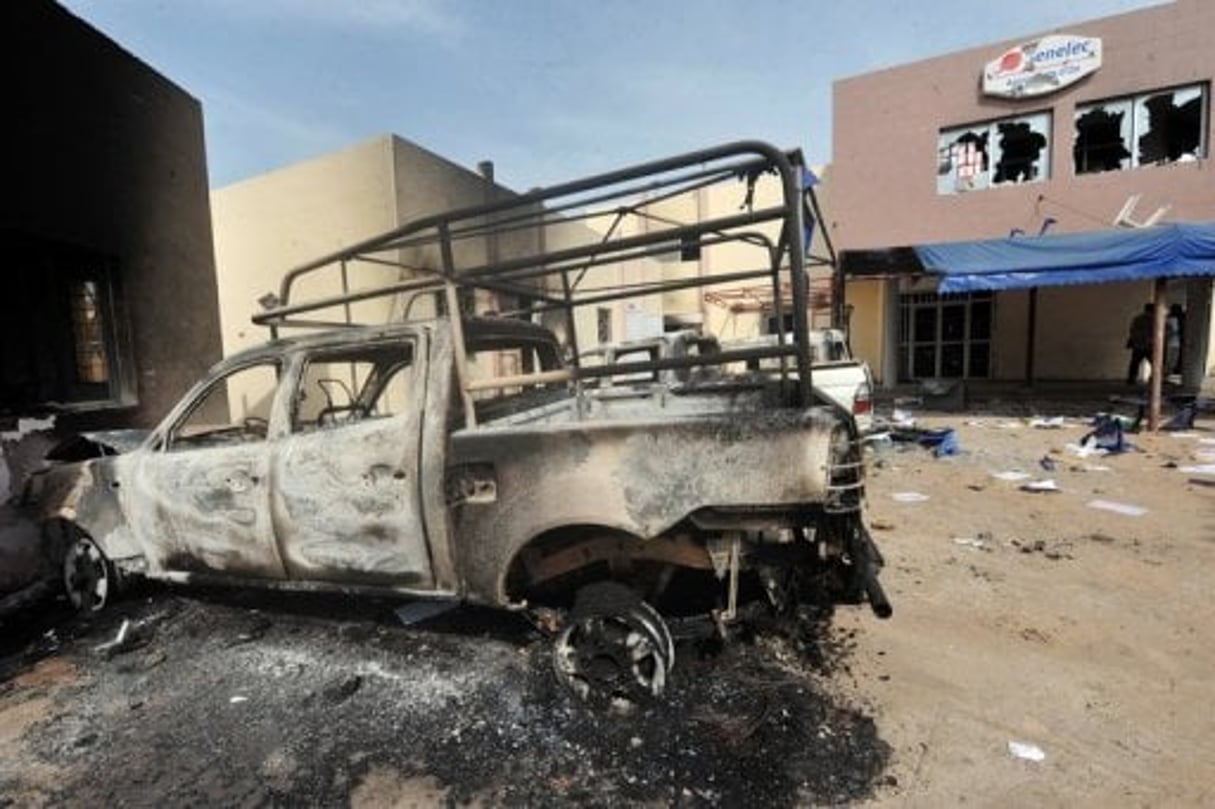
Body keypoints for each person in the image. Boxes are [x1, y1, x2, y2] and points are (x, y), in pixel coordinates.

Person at [1125, 303, 1153, 385]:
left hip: (1139, 344)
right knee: (1155, 363)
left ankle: (1131, 379)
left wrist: (1136, 339)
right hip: (1149, 345)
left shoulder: (1138, 319)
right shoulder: (1155, 319)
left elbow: (1132, 330)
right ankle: (1153, 379)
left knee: (1135, 363)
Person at [1167, 303, 1186, 376]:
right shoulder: (1181, 318)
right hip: (1176, 342)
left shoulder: (1168, 318)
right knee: (1173, 359)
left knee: (1171, 360)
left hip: (1170, 342)